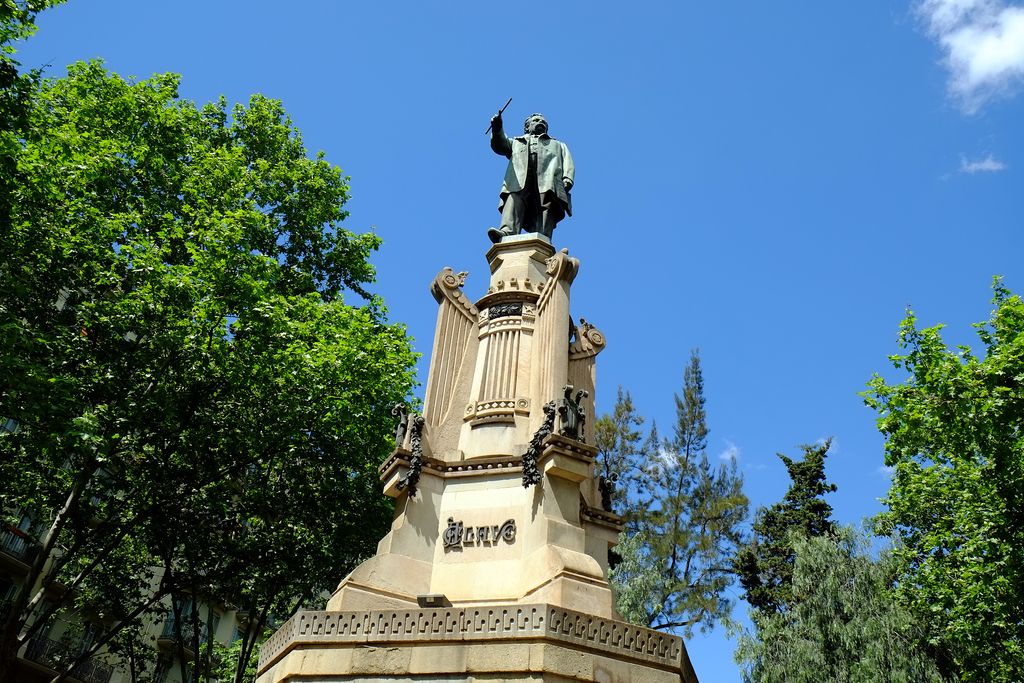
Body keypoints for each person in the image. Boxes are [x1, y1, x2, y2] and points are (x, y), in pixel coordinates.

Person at [487, 112, 574, 243]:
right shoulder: (516, 142)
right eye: (536, 120)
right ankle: (507, 232)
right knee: (513, 201)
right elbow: (500, 145)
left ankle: (542, 239)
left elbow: (568, 162)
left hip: (548, 179)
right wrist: (497, 127)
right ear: (527, 127)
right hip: (519, 179)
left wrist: (568, 178)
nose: (541, 123)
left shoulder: (558, 145)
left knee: (546, 205)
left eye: (543, 122)